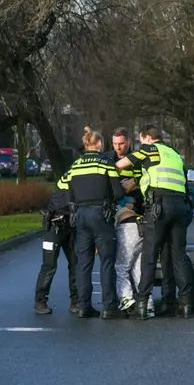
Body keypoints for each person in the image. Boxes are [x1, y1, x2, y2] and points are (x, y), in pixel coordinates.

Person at [115, 124, 194, 319]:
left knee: (149, 255)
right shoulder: (174, 154)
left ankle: (142, 305)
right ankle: (186, 304)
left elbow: (120, 165)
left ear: (146, 138)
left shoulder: (148, 150)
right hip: (180, 206)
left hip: (158, 207)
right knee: (178, 256)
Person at [58, 126, 127, 319]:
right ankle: (109, 306)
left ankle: (84, 305)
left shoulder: (75, 165)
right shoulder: (105, 164)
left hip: (80, 215)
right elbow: (118, 193)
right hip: (100, 215)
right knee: (107, 261)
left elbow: (65, 189)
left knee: (83, 263)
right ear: (99, 144)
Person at [105, 128, 155, 316]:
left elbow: (146, 186)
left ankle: (127, 299)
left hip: (133, 220)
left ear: (129, 142)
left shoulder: (138, 159)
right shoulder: (108, 160)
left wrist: (135, 197)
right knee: (136, 266)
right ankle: (146, 303)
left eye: (122, 143)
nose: (118, 147)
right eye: (115, 143)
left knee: (123, 264)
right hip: (132, 220)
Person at [158, 185, 194, 317]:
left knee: (170, 256)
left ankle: (171, 302)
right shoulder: (176, 167)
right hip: (182, 208)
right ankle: (190, 302)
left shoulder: (154, 167)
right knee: (178, 257)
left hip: (168, 209)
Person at [34, 181, 79, 315]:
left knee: (75, 264)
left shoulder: (73, 177)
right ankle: (40, 301)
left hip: (69, 226)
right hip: (56, 225)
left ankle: (76, 302)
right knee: (49, 265)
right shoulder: (75, 177)